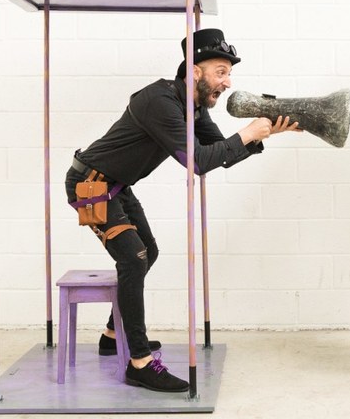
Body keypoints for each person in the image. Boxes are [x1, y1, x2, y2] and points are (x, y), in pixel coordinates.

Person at [65, 28, 299, 392]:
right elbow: (199, 161)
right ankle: (140, 363)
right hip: (91, 185)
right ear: (195, 71)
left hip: (117, 186)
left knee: (148, 251)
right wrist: (248, 134)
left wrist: (263, 134)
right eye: (221, 72)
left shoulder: (193, 107)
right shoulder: (159, 101)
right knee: (134, 257)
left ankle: (112, 336)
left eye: (228, 73)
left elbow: (219, 152)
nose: (227, 82)